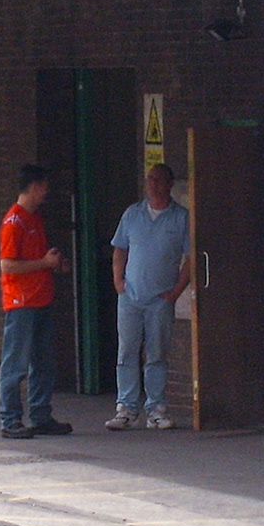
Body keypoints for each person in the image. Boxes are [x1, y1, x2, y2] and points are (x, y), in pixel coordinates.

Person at [106, 163, 191, 430]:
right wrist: (118, 280)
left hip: (160, 298)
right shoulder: (132, 214)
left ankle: (155, 408)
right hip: (131, 296)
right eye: (149, 179)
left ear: (170, 184)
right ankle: (126, 408)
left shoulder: (181, 218)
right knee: (127, 351)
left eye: (158, 180)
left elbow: (191, 258)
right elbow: (119, 248)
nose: (152, 184)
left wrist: (177, 291)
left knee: (156, 353)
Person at [0, 164, 72, 438]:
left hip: (41, 298)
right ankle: (10, 420)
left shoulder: (35, 219)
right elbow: (7, 265)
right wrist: (43, 262)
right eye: (42, 188)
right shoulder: (13, 223)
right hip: (21, 302)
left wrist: (52, 263)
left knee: (43, 362)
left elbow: (35, 260)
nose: (45, 193)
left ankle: (41, 415)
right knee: (15, 363)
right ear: (33, 187)